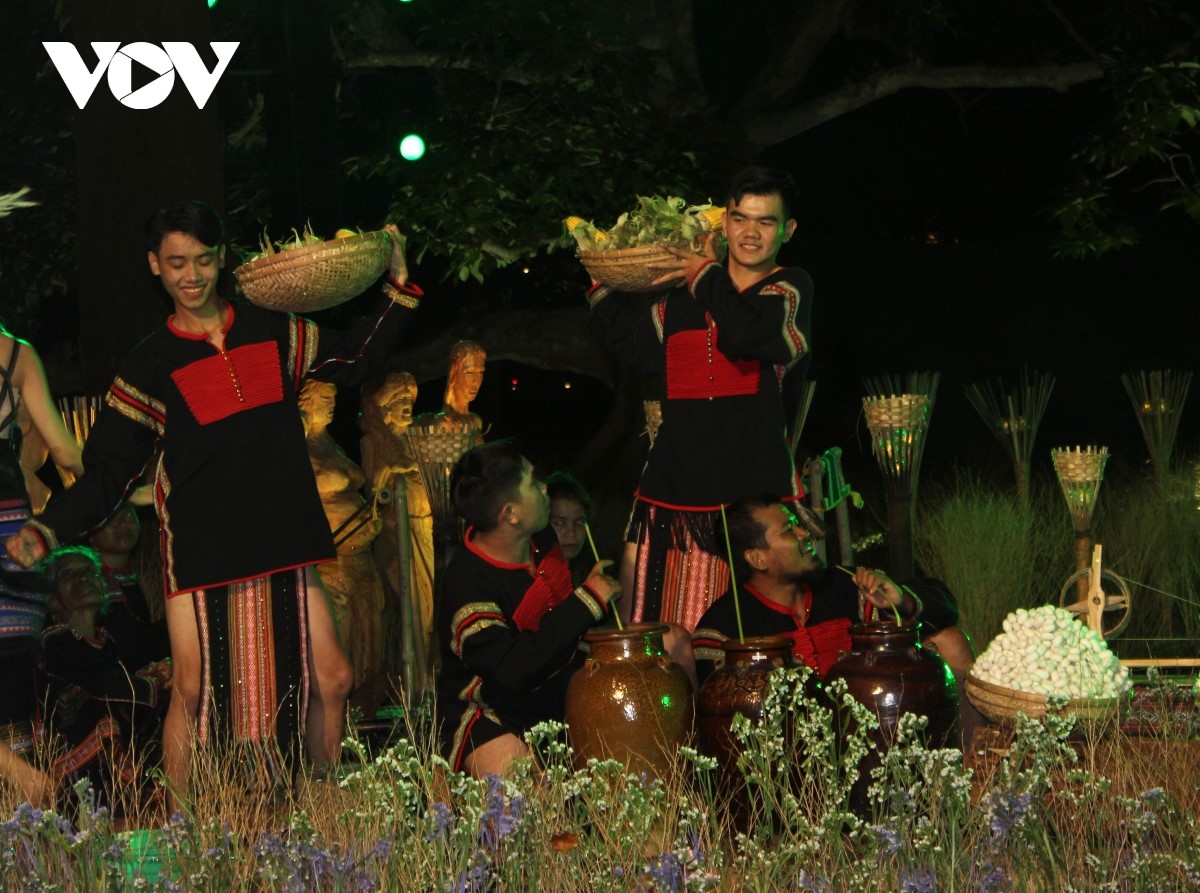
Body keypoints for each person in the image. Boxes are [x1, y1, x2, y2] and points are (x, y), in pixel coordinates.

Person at [5, 199, 422, 802]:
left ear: (222, 258)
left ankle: (317, 809)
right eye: (176, 263)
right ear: (154, 265)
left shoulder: (272, 330)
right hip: (203, 544)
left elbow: (356, 359)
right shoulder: (150, 363)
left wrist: (398, 290)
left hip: (282, 534)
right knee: (194, 689)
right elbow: (109, 472)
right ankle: (184, 825)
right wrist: (48, 529)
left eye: (202, 259)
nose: (191, 275)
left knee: (333, 677)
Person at [587, 166, 812, 631]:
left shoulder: (787, 290)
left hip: (756, 502)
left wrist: (706, 275)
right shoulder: (678, 303)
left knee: (750, 636)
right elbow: (634, 351)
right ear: (723, 224)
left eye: (765, 221)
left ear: (788, 230)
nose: (750, 232)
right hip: (673, 497)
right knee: (655, 632)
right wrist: (599, 283)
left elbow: (744, 332)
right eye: (739, 218)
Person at [435, 441, 621, 779]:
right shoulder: (467, 582)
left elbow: (560, 631)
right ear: (511, 514)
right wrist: (587, 602)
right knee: (522, 792)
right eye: (533, 483)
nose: (545, 488)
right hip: (491, 712)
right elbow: (510, 671)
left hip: (556, 694)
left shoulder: (543, 540)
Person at [691, 494, 974, 688]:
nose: (805, 534)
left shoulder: (844, 585)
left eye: (798, 525)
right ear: (758, 559)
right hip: (787, 751)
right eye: (789, 530)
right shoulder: (723, 631)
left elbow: (944, 607)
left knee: (950, 641)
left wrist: (900, 600)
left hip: (874, 732)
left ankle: (972, 753)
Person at [0, 321, 84, 807]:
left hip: (13, 543)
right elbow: (66, 450)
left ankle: (20, 791)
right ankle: (23, 792)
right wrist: (116, 485)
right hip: (13, 538)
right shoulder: (16, 354)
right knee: (11, 680)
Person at [38, 546, 171, 817]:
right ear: (53, 601)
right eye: (69, 574)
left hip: (110, 759)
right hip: (75, 762)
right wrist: (154, 680)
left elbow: (120, 686)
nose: (82, 577)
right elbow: (104, 685)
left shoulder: (106, 641)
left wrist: (157, 676)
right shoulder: (55, 640)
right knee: (103, 717)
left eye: (89, 571)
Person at [299, 378, 385, 710]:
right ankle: (334, 709)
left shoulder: (331, 443)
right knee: (341, 633)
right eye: (324, 398)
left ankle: (364, 706)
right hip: (331, 561)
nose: (331, 405)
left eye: (333, 398)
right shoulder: (299, 446)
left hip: (360, 556)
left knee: (369, 633)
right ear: (306, 402)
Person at [359, 370, 436, 696]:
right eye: (399, 400)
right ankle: (414, 684)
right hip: (398, 533)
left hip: (425, 528)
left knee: (431, 607)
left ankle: (430, 676)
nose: (406, 406)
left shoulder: (416, 440)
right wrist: (392, 466)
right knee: (412, 607)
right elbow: (375, 490)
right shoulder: (374, 442)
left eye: (409, 401)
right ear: (386, 408)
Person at [89, 501, 170, 671]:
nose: (122, 523)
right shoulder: (91, 582)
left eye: (127, 512)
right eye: (110, 517)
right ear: (90, 532)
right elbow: (132, 650)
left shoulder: (128, 575)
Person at [544, 471, 593, 585]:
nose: (571, 532)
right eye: (559, 523)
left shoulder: (588, 574)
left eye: (579, 522)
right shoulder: (532, 580)